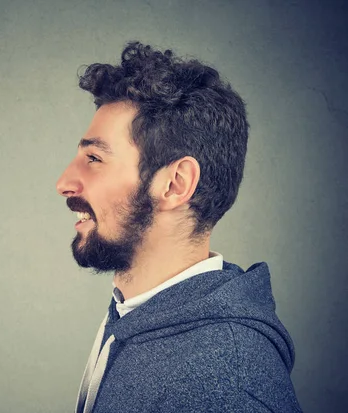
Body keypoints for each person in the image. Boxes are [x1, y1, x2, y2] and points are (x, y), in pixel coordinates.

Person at [56, 42, 302, 413]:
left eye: (94, 158)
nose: (64, 182)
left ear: (174, 184)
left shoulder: (228, 389)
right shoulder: (135, 312)